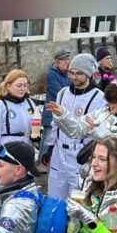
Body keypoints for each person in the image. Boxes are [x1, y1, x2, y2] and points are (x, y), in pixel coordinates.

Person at [50, 77, 117, 193]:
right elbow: (78, 129)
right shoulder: (102, 114)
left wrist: (98, 132)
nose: (109, 104)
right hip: (98, 177)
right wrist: (62, 115)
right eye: (108, 100)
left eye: (114, 101)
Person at [43, 53, 104, 200]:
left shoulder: (99, 97)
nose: (74, 77)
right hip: (59, 154)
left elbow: (93, 128)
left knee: (78, 200)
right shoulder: (63, 93)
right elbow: (55, 123)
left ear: (88, 74)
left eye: (79, 73)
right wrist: (49, 147)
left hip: (79, 154)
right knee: (54, 199)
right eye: (72, 73)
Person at [0, 69, 38, 198]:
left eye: (25, 85)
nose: (22, 89)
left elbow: (36, 123)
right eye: (19, 85)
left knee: (23, 194)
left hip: (25, 153)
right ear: (8, 86)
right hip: (6, 154)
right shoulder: (0, 106)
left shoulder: (30, 103)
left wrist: (36, 135)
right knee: (3, 194)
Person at [38, 48, 71, 166]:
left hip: (63, 112)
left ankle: (54, 161)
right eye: (64, 60)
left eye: (68, 59)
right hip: (51, 112)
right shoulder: (51, 74)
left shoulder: (68, 75)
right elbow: (59, 92)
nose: (67, 62)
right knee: (47, 138)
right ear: (57, 62)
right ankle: (42, 162)